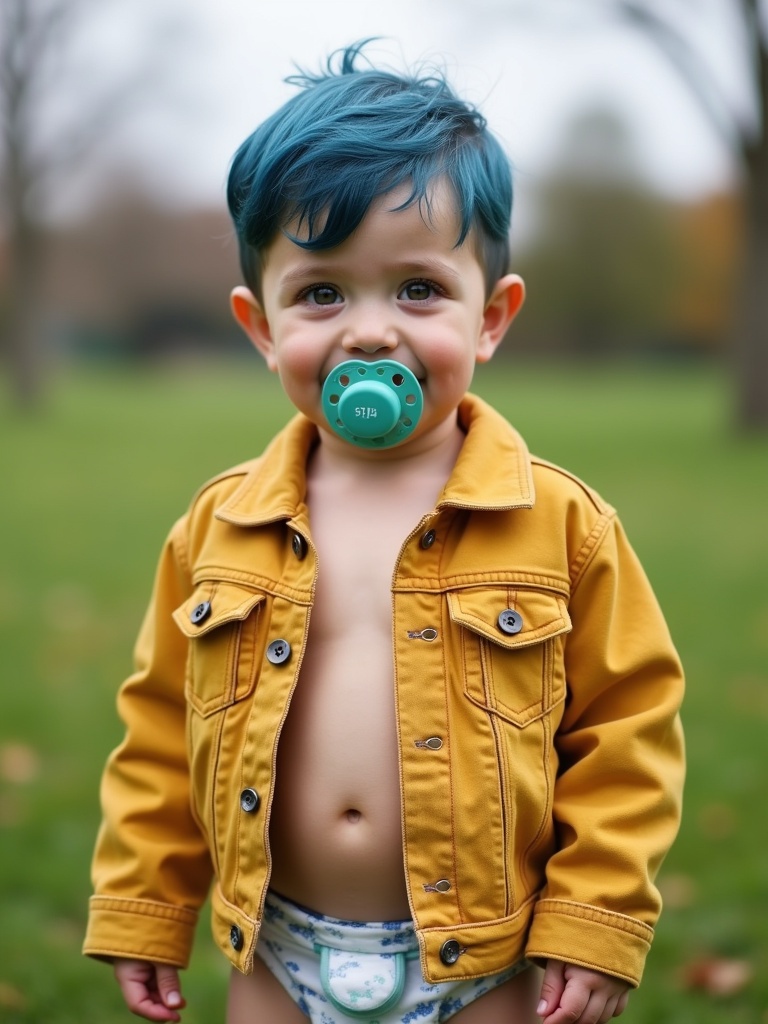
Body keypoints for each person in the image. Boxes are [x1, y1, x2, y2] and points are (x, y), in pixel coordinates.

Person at [83, 42, 685, 1024]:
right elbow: (157, 732)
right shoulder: (220, 527)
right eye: (322, 292)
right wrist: (146, 908)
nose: (370, 331)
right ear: (261, 326)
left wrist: (595, 917)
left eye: (417, 289)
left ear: (490, 316)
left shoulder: (561, 526)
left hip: (483, 956)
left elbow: (628, 733)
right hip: (279, 949)